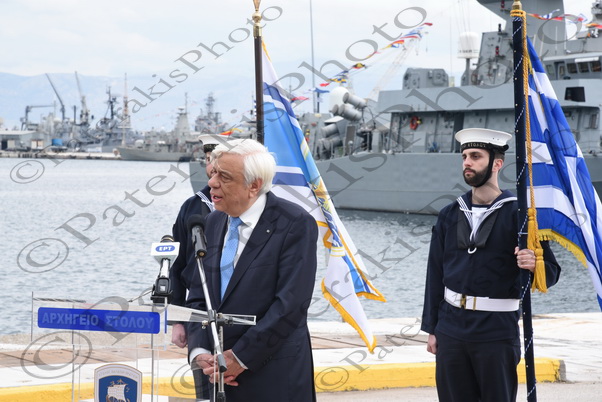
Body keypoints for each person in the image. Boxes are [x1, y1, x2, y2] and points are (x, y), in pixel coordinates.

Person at [421, 128, 561, 402]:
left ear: (497, 163)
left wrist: (533, 264)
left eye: (476, 156)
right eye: (464, 157)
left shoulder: (521, 216)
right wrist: (432, 328)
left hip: (496, 330)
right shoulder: (450, 213)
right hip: (451, 328)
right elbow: (434, 273)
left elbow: (551, 273)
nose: (467, 163)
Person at [186, 138, 318, 401]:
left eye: (224, 177)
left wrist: (240, 357)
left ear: (254, 186)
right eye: (213, 173)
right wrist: (199, 351)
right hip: (216, 374)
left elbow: (291, 305)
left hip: (272, 376)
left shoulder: (295, 224)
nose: (212, 183)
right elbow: (200, 295)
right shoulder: (213, 221)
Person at [169, 134, 225, 400]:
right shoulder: (192, 207)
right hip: (198, 312)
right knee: (204, 392)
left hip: (235, 310)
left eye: (218, 159)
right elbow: (178, 265)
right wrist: (177, 320)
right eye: (208, 159)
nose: (212, 166)